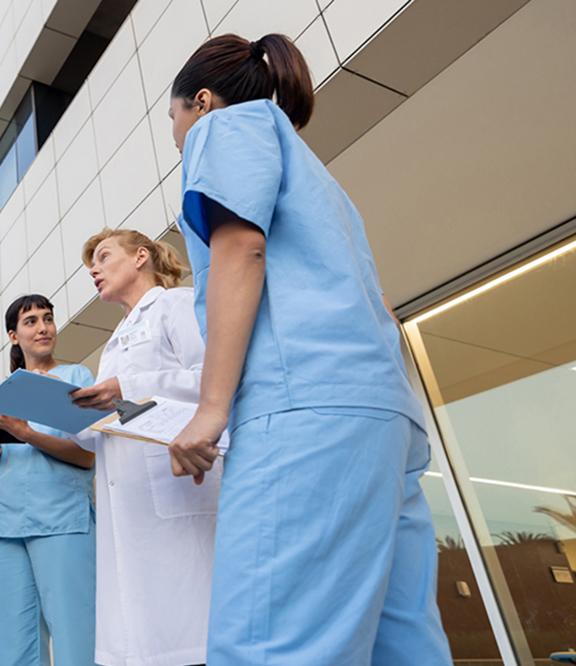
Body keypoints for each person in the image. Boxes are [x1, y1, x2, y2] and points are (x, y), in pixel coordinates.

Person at [165, 33, 451, 664]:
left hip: (303, 410)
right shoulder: (321, 182)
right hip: (381, 419)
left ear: (202, 102)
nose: (178, 136)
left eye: (175, 119)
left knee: (268, 647)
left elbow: (242, 248)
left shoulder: (227, 128)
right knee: (399, 643)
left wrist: (213, 408)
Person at [69, 228, 218, 666]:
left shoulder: (177, 304)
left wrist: (128, 387)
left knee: (191, 634)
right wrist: (80, 420)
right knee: (144, 641)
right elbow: (115, 422)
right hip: (129, 505)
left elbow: (211, 379)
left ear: (140, 257)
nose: (93, 270)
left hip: (178, 489)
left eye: (102, 256)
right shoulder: (115, 342)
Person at [0, 294, 96, 666]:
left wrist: (25, 433)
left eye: (47, 319)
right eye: (31, 321)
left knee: (76, 631)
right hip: (6, 524)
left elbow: (87, 455)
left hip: (62, 520)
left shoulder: (78, 379)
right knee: (13, 642)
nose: (43, 328)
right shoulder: (2, 395)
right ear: (14, 335)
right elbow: (3, 469)